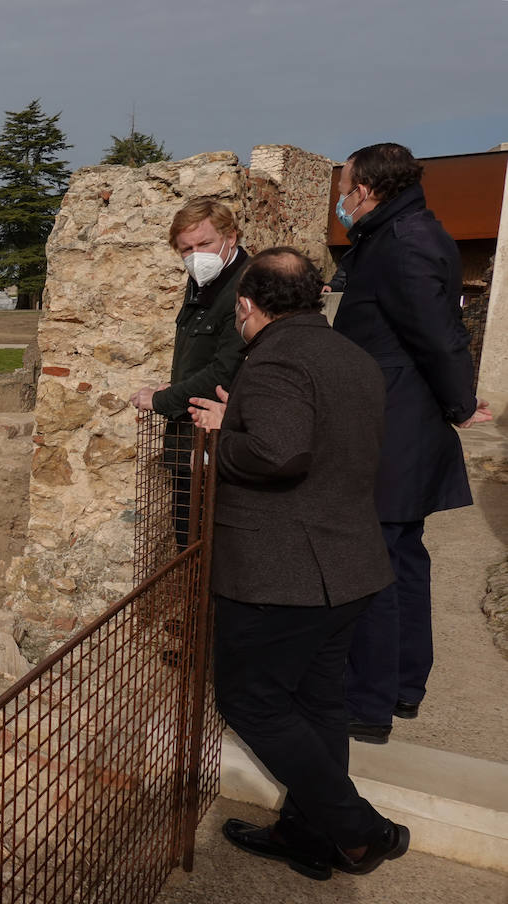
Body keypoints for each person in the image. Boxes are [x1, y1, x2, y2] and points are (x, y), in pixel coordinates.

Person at [189, 248, 408, 879]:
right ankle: (309, 836)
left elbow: (278, 453)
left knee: (251, 702)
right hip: (348, 565)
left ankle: (360, 832)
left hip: (281, 574)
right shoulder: (352, 356)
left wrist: (223, 437)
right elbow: (323, 438)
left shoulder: (275, 359)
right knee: (318, 705)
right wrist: (244, 416)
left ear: (247, 304)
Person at [330, 143, 493, 744]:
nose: (341, 203)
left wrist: (459, 403)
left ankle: (367, 703)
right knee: (399, 559)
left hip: (395, 423)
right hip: (396, 416)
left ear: (367, 190)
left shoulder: (405, 241)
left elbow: (438, 335)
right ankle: (400, 686)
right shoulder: (400, 232)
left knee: (373, 565)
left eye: (345, 191)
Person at [130, 199, 248, 548]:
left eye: (204, 244)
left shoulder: (245, 287)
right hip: (188, 437)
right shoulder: (202, 281)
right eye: (186, 249)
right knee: (187, 538)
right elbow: (200, 351)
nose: (196, 256)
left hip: (219, 439)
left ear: (230, 237)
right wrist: (178, 383)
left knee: (210, 546)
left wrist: (162, 399)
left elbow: (225, 370)